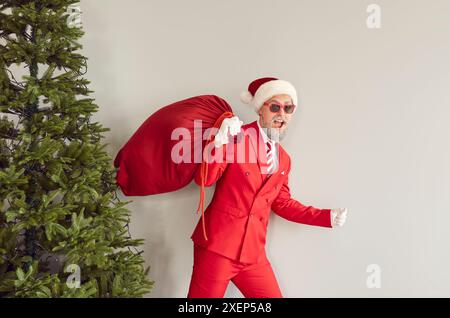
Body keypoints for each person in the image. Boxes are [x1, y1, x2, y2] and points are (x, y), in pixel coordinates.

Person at [188, 77, 348, 298]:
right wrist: (219, 143)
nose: (282, 114)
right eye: (275, 107)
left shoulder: (284, 160)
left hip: (253, 255)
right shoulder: (236, 137)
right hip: (218, 247)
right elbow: (204, 180)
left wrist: (325, 217)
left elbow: (282, 203)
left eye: (288, 108)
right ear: (260, 110)